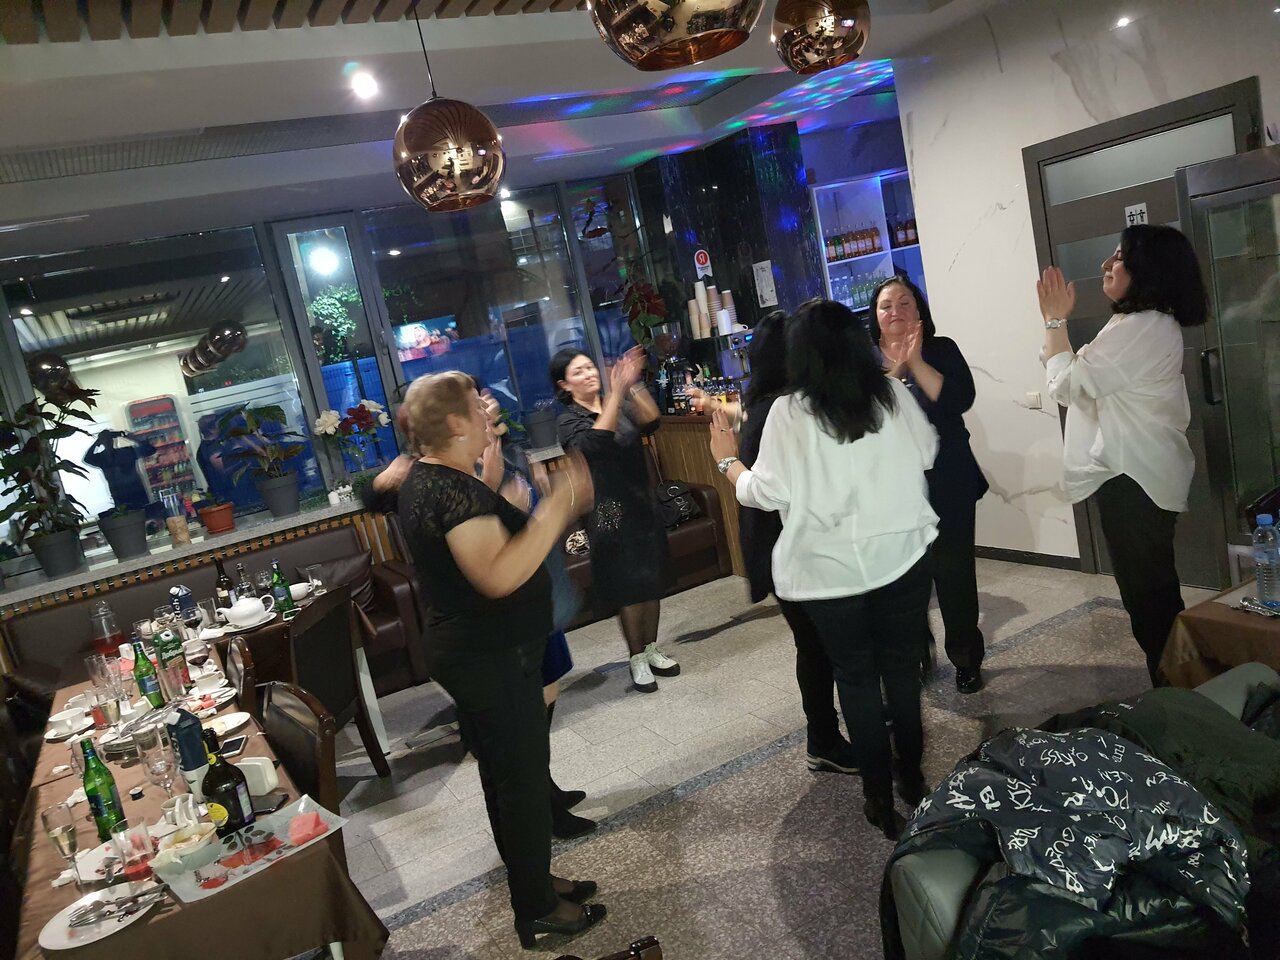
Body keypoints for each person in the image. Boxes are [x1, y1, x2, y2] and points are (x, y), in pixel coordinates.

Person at [385, 372, 605, 948]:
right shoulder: (445, 489)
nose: (489, 413)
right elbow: (498, 575)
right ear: (455, 424)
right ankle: (538, 910)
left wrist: (503, 495)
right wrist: (557, 508)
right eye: (476, 408)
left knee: (506, 779)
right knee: (522, 784)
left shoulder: (437, 478)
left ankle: (535, 885)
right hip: (491, 656)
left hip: (481, 651)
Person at [709, 298, 939, 839]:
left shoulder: (790, 412)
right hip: (902, 558)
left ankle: (877, 797)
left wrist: (726, 459)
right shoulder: (890, 395)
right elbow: (928, 452)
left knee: (856, 681)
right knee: (901, 675)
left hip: (826, 576)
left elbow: (764, 493)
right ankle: (912, 777)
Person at [363, 400, 596, 842]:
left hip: (532, 596)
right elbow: (484, 552)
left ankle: (543, 790)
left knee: (544, 698)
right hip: (501, 617)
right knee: (525, 721)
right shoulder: (436, 475)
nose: (486, 410)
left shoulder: (494, 450)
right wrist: (527, 501)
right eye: (473, 407)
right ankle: (541, 802)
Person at [1036, 224, 1209, 685]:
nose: (1106, 264)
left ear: (1147, 269)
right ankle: (1180, 692)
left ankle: (1180, 698)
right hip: (1135, 473)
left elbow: (1068, 384)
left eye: (1118, 256)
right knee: (1151, 596)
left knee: (1150, 601)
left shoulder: (1143, 327)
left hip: (1134, 478)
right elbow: (1078, 376)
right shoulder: (1138, 324)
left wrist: (1054, 322)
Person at [702, 310, 858, 775]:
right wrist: (726, 462)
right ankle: (826, 738)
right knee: (822, 648)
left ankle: (827, 736)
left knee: (817, 647)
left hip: (784, 547)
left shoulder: (770, 404)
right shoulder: (783, 410)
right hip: (793, 550)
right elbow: (768, 490)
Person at [871, 276, 989, 694]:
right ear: (875, 316)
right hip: (891, 486)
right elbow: (867, 417)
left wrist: (916, 360)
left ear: (919, 310)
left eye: (904, 303)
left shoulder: (942, 350)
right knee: (904, 577)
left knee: (954, 572)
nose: (895, 311)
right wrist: (896, 370)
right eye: (886, 305)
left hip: (948, 479)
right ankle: (916, 655)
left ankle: (966, 659)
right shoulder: (864, 361)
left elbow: (958, 400)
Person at [550, 346, 681, 694]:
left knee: (651, 578)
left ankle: (651, 649)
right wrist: (616, 393)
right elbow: (596, 443)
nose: (590, 373)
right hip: (609, 513)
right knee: (629, 585)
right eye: (579, 371)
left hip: (641, 502)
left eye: (590, 367)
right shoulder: (569, 420)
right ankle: (636, 656)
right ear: (564, 385)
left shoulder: (618, 403)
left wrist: (632, 384)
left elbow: (652, 420)